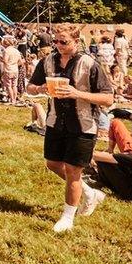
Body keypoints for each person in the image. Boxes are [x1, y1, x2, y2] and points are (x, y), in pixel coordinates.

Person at [26, 23, 113, 232]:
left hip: (83, 125)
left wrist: (77, 94)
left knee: (74, 171)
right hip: (56, 121)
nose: (58, 45)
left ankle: (67, 217)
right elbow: (29, 87)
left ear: (76, 41)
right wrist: (40, 88)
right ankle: (89, 192)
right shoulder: (47, 61)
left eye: (63, 42)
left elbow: (108, 98)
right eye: (55, 41)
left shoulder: (89, 64)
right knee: (53, 164)